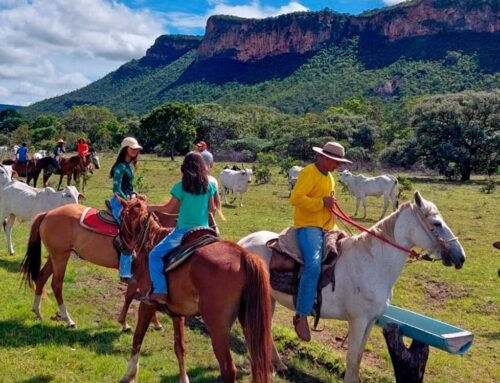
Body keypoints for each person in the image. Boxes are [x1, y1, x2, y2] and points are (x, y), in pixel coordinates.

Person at [289, 141, 352, 342]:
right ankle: (301, 314)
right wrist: (321, 203)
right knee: (314, 266)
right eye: (335, 161)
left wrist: (330, 205)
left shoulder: (330, 177)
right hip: (308, 226)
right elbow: (296, 198)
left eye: (339, 162)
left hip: (327, 227)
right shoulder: (309, 172)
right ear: (323, 158)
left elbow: (327, 201)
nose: (338, 166)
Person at [144, 151, 217, 304]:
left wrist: (148, 207)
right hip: (205, 232)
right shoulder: (209, 186)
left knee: (154, 256)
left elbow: (168, 209)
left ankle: (160, 291)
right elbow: (212, 209)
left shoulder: (181, 187)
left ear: (185, 167)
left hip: (184, 232)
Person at [108, 137, 142, 280]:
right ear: (125, 149)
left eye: (136, 149)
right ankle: (125, 272)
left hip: (129, 200)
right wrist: (128, 202)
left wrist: (137, 195)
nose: (135, 151)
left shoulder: (129, 165)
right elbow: (116, 189)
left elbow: (129, 187)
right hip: (119, 202)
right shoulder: (120, 166)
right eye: (132, 148)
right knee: (129, 231)